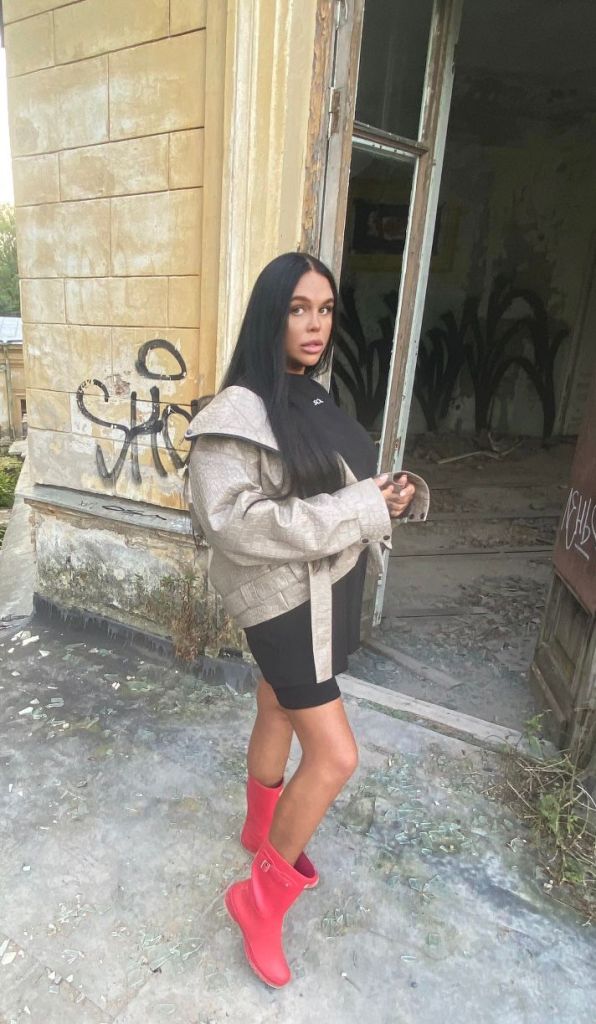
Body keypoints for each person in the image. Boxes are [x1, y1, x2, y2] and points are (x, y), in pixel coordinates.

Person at [184, 252, 429, 989]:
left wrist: (386, 494)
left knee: (275, 705)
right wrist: (358, 508)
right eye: (298, 309)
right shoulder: (236, 414)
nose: (315, 324)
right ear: (271, 315)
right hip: (285, 604)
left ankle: (260, 826)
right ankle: (259, 900)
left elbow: (334, 487)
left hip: (323, 589)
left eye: (325, 309)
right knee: (336, 757)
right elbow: (235, 524)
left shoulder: (311, 397)